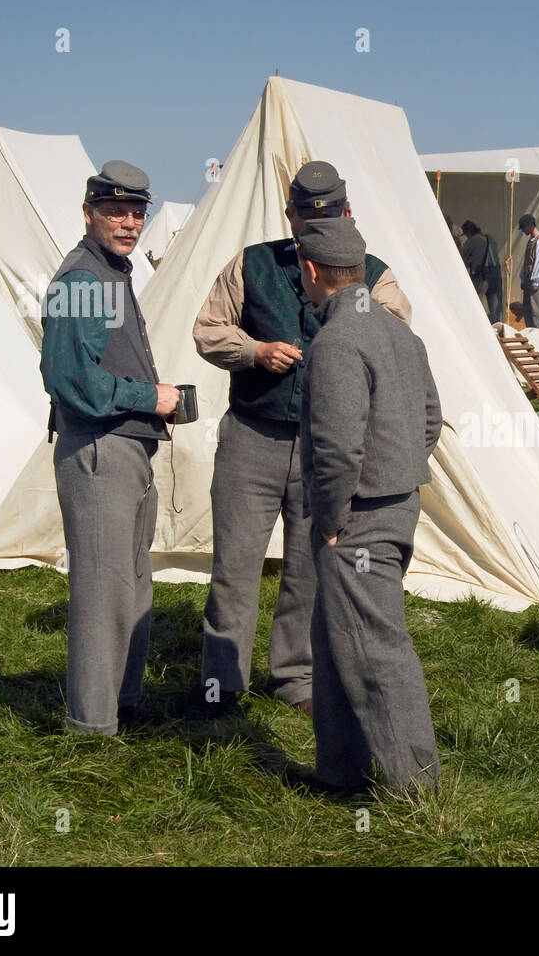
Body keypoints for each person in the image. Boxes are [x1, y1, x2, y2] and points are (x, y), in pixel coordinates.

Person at [189, 160, 411, 719]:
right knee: (235, 566)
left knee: (308, 569)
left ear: (347, 213)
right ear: (289, 216)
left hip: (327, 448)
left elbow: (394, 344)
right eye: (304, 220)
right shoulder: (251, 263)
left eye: (328, 217)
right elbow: (208, 329)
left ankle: (296, 676)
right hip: (253, 436)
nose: (313, 229)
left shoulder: (375, 276)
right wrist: (254, 352)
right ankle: (222, 684)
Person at [297, 216, 443, 792]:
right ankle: (341, 773)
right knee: (335, 642)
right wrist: (400, 474)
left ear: (312, 272)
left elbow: (336, 449)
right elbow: (430, 420)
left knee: (376, 651)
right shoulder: (399, 333)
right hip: (398, 503)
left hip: (356, 517)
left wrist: (333, 521)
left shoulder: (335, 342)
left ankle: (417, 791)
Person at [39, 160, 180, 734]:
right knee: (101, 592)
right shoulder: (81, 279)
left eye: (137, 211)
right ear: (89, 213)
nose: (129, 222)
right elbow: (68, 379)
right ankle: (92, 726)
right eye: (115, 211)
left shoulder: (112, 272)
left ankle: (123, 704)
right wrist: (152, 397)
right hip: (97, 449)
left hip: (124, 446)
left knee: (129, 583)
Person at [460, 220, 503, 323]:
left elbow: (462, 259)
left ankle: (476, 325)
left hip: (482, 275)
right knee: (495, 308)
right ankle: (498, 327)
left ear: (468, 232)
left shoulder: (472, 241)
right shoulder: (490, 238)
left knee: (475, 303)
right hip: (496, 273)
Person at [517, 213, 539, 329]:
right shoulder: (531, 241)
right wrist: (523, 278)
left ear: (530, 225)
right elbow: (528, 261)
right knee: (528, 309)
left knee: (538, 311)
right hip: (529, 277)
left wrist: (536, 281)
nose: (523, 231)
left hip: (536, 279)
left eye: (524, 227)